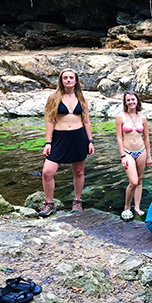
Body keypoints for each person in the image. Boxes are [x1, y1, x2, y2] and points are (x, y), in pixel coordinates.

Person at [39, 68, 95, 217]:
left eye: (71, 77)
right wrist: (48, 142)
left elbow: (86, 121)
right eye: (65, 78)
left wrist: (90, 140)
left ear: (76, 80)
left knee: (78, 171)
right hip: (60, 138)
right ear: (61, 80)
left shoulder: (82, 98)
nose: (68, 80)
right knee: (47, 172)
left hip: (78, 137)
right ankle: (49, 203)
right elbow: (50, 120)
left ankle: (77, 201)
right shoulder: (53, 98)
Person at [116, 91, 152, 220]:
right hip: (128, 152)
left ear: (137, 101)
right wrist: (122, 156)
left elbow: (147, 138)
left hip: (141, 151)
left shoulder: (142, 118)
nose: (131, 102)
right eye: (128, 100)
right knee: (133, 181)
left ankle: (137, 207)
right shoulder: (121, 117)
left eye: (133, 99)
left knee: (140, 180)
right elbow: (119, 138)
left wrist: (148, 155)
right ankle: (127, 206)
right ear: (125, 102)